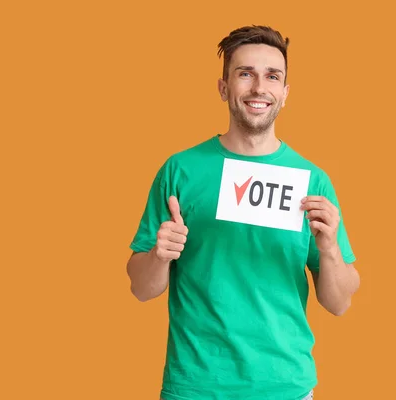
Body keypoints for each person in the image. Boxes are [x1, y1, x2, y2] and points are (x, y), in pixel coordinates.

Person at [127, 25, 360, 400]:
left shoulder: (312, 181)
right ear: (224, 88)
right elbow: (141, 289)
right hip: (196, 386)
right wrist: (159, 256)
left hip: (286, 387)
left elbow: (338, 303)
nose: (258, 88)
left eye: (272, 76)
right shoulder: (180, 171)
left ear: (285, 94)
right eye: (245, 74)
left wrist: (330, 249)